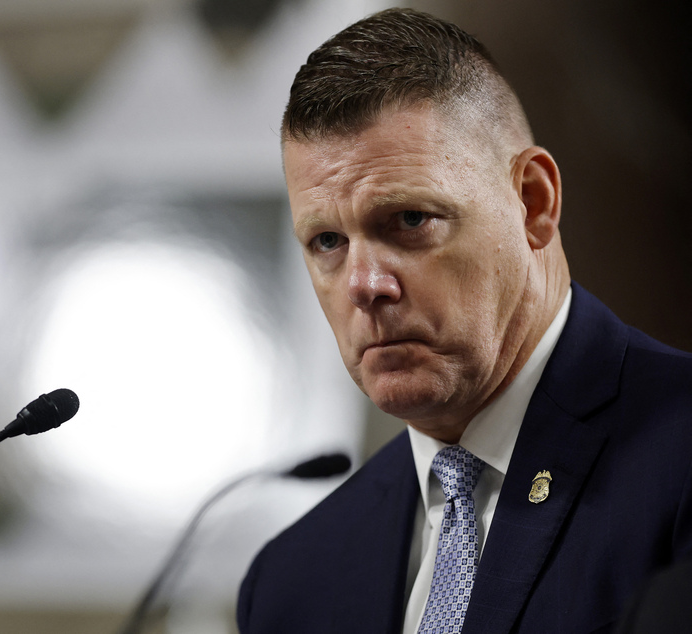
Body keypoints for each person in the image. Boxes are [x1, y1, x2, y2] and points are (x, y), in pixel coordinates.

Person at [236, 8, 692, 634]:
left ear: (533, 202)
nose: (365, 286)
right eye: (326, 243)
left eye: (410, 220)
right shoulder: (291, 581)